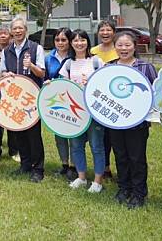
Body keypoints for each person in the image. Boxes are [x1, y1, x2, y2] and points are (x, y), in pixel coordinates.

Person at [109, 31, 157, 209]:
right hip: (114, 121)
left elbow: (155, 93)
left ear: (134, 46)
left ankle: (139, 193)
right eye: (119, 45)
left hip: (138, 123)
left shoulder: (145, 67)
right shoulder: (109, 67)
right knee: (120, 156)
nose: (123, 48)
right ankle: (124, 188)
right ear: (114, 47)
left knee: (136, 158)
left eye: (127, 45)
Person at [0, 18, 46, 182]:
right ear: (12, 31)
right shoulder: (6, 51)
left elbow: (42, 73)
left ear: (25, 30)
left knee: (34, 135)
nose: (18, 31)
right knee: (18, 133)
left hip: (31, 98)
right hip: (14, 98)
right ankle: (25, 165)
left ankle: (38, 168)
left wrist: (31, 65)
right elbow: (2, 72)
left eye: (21, 28)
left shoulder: (36, 48)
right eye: (15, 29)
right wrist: (6, 74)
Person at [59, 29, 105, 192]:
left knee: (96, 145)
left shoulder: (96, 61)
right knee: (76, 145)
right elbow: (62, 85)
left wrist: (92, 81)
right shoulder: (69, 63)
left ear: (88, 41)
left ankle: (98, 181)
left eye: (82, 40)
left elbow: (105, 84)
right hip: (75, 112)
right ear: (71, 43)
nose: (79, 43)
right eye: (76, 40)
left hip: (93, 111)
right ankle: (81, 177)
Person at [44, 27, 76, 181]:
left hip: (74, 102)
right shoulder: (48, 58)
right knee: (60, 135)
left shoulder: (76, 57)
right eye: (57, 40)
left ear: (69, 41)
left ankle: (75, 166)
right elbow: (44, 77)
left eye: (64, 39)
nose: (60, 43)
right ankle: (64, 164)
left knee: (75, 135)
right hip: (56, 101)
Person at [91, 20, 118, 179]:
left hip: (117, 98)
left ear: (114, 32)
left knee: (117, 137)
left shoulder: (121, 49)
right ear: (98, 33)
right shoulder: (93, 52)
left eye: (108, 30)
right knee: (103, 137)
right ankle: (105, 167)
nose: (105, 33)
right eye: (102, 30)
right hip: (99, 99)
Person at [0, 26, 15, 159]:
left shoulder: (13, 51)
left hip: (11, 90)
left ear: (10, 36)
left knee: (12, 119)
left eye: (6, 33)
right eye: (0, 34)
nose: (3, 36)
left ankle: (13, 150)